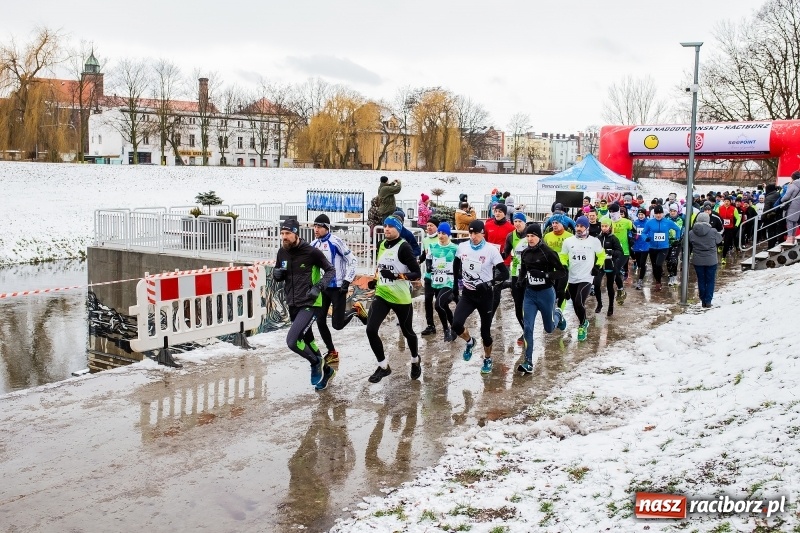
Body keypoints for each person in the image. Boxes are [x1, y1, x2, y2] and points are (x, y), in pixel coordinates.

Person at [273, 218, 337, 390]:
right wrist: (276, 274)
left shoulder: (311, 252)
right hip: (293, 303)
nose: (284, 237)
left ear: (296, 233)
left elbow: (331, 270)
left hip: (311, 303)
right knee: (308, 343)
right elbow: (278, 271)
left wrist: (319, 287)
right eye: (282, 234)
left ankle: (315, 362)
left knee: (293, 341)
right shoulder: (282, 252)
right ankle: (327, 372)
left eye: (288, 233)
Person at [364, 215, 422, 383]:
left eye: (391, 226)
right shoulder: (381, 244)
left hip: (400, 297)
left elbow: (417, 273)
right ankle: (383, 366)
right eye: (385, 225)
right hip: (382, 294)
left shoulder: (404, 247)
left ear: (398, 228)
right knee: (370, 329)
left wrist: (397, 275)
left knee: (408, 332)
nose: (387, 229)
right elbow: (381, 267)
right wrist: (375, 280)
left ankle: (415, 360)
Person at [452, 219, 509, 374]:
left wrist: (489, 283)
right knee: (456, 324)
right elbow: (456, 263)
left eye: (476, 233)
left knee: (485, 333)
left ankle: (488, 358)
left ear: (483, 233)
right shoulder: (462, 246)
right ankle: (470, 342)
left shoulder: (491, 250)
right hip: (468, 295)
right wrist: (455, 286)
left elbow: (505, 273)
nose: (473, 236)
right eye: (471, 233)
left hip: (485, 296)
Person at [310, 214, 365, 365]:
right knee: (320, 320)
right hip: (323, 287)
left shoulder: (336, 242)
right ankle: (332, 352)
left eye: (319, 226)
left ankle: (356, 310)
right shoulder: (313, 244)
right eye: (314, 226)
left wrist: (347, 281)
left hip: (338, 288)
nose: (316, 229)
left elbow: (353, 261)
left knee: (337, 325)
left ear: (327, 228)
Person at [516, 223, 567, 374]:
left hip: (546, 294)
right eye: (528, 236)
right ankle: (528, 361)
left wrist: (545, 275)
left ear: (539, 237)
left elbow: (562, 272)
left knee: (549, 328)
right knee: (528, 327)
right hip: (530, 294)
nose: (530, 239)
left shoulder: (548, 253)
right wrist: (520, 280)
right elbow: (523, 270)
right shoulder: (525, 253)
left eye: (533, 236)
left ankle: (558, 315)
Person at [560, 216, 605, 342]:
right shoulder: (568, 241)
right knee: (575, 303)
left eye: (582, 226)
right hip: (572, 277)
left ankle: (582, 326)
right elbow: (563, 255)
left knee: (579, 302)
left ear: (587, 228)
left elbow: (601, 255)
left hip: (586, 277)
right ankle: (583, 321)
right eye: (577, 226)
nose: (579, 229)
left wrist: (597, 266)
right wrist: (563, 264)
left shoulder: (594, 241)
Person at [428, 222, 460, 341]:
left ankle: (446, 329)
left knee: (438, 305)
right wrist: (428, 266)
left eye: (443, 234)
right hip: (436, 280)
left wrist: (458, 281)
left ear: (448, 234)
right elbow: (429, 259)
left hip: (449, 281)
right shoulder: (433, 246)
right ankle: (454, 327)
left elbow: (460, 264)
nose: (441, 236)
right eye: (439, 233)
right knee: (444, 306)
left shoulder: (455, 248)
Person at [640, 205, 682, 291]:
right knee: (654, 266)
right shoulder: (650, 222)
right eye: (656, 213)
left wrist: (677, 238)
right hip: (652, 247)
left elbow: (677, 229)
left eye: (660, 213)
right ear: (654, 214)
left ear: (663, 213)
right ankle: (658, 282)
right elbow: (643, 233)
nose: (658, 215)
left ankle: (659, 281)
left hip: (664, 247)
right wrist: (646, 238)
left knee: (659, 264)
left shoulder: (667, 222)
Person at [504, 212, 531, 345]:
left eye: (520, 221)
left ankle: (528, 332)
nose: (517, 224)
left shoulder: (531, 235)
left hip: (530, 275)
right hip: (516, 273)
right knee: (518, 306)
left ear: (524, 222)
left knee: (528, 305)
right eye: (515, 221)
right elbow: (505, 253)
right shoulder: (510, 236)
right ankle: (525, 331)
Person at [484, 203, 514, 314]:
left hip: (503, 261)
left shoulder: (510, 228)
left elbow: (513, 244)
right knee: (488, 286)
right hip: (488, 261)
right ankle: (508, 283)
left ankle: (491, 314)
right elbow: (484, 241)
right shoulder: (488, 225)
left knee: (496, 289)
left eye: (500, 212)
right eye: (496, 211)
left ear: (505, 214)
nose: (497, 213)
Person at [689, 212, 723, 308]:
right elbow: (719, 240)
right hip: (711, 260)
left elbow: (687, 244)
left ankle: (703, 299)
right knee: (710, 280)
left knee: (701, 279)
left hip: (698, 260)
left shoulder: (691, 233)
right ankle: (708, 300)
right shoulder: (713, 231)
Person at [543, 218, 573, 315]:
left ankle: (560, 313)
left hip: (564, 268)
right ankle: (551, 311)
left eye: (557, 223)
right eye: (553, 223)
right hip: (551, 268)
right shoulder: (547, 236)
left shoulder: (570, 237)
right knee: (552, 291)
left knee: (561, 291)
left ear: (563, 224)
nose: (554, 225)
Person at [594, 217, 623, 316]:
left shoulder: (614, 238)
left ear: (610, 227)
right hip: (600, 265)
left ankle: (611, 306)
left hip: (610, 265)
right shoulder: (598, 238)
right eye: (602, 226)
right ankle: (599, 304)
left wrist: (610, 251)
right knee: (596, 284)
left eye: (606, 226)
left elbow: (620, 252)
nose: (604, 228)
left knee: (609, 286)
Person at [418, 217, 441, 336]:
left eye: (431, 225)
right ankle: (430, 325)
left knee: (440, 302)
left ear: (437, 227)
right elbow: (424, 254)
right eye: (427, 226)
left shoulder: (441, 238)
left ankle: (449, 324)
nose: (429, 227)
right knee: (427, 300)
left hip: (440, 275)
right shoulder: (426, 240)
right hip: (428, 275)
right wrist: (418, 261)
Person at [665, 203, 685, 286]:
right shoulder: (666, 219)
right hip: (667, 242)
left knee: (673, 259)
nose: (672, 212)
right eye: (671, 211)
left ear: (677, 211)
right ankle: (670, 276)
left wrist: (680, 238)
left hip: (677, 242)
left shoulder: (681, 219)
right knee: (668, 260)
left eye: (674, 211)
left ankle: (674, 277)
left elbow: (683, 229)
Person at [716, 196, 740, 263]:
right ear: (723, 202)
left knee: (727, 243)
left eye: (728, 201)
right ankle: (720, 245)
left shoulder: (734, 209)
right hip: (721, 227)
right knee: (718, 240)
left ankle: (723, 257)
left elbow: (738, 218)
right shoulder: (719, 208)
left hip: (729, 228)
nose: (726, 202)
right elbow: (716, 216)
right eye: (725, 201)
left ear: (730, 202)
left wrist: (736, 225)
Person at [631, 209, 650, 290]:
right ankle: (640, 273)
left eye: (642, 214)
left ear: (645, 215)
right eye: (639, 214)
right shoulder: (635, 223)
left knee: (642, 263)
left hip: (645, 246)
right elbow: (632, 233)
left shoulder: (648, 222)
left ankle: (640, 280)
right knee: (639, 264)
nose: (640, 216)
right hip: (637, 246)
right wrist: (633, 236)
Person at [782, 171, 800, 244]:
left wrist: (781, 200)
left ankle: (789, 238)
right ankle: (793, 236)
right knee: (795, 221)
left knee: (789, 221)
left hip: (792, 205)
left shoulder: (792, 185)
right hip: (798, 206)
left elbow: (787, 196)